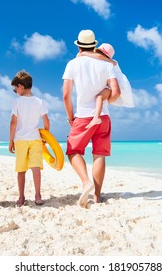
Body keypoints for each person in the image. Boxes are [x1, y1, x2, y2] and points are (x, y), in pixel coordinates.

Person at [62, 29, 120, 207]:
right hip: (103, 116)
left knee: (73, 151)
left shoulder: (73, 64)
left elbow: (66, 95)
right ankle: (97, 195)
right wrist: (104, 99)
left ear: (79, 46)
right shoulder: (108, 64)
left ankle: (86, 181)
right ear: (94, 45)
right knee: (99, 155)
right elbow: (116, 92)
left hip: (83, 116)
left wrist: (70, 116)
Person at [9, 70, 50, 206]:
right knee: (36, 168)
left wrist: (10, 142)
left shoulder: (16, 102)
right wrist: (45, 137)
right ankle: (38, 196)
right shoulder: (39, 101)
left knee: (21, 170)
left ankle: (21, 197)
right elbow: (46, 122)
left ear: (20, 86)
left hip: (20, 140)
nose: (15, 92)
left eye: (15, 89)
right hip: (35, 139)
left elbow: (13, 123)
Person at [79, 43, 135, 129]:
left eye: (99, 53)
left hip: (118, 85)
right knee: (99, 98)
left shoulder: (113, 62)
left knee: (99, 97)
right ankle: (96, 117)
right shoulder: (105, 63)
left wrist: (84, 53)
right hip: (111, 85)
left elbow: (99, 57)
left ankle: (96, 118)